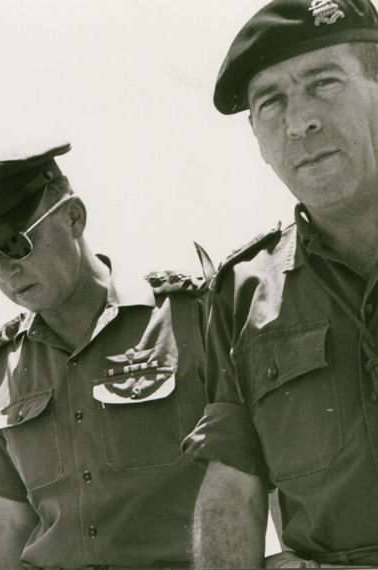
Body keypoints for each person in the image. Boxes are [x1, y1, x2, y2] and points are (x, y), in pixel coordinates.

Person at [0, 142, 209, 570]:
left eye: (18, 245)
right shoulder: (2, 368)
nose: (7, 271)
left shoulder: (189, 318)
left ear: (74, 217)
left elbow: (255, 469)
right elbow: (12, 520)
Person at [181, 0, 378, 567]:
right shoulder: (241, 293)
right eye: (272, 103)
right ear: (258, 140)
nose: (300, 121)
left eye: (325, 84)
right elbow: (233, 488)